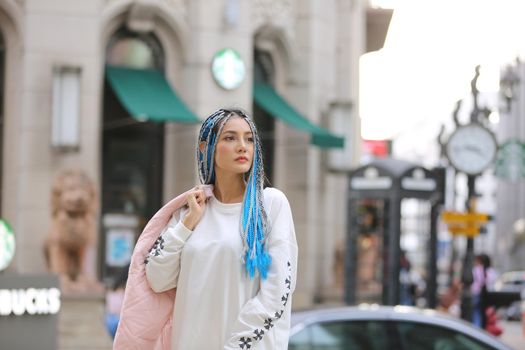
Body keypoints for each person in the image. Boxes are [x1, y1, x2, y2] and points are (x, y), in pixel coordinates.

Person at [120, 108, 298, 350]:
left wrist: (235, 346)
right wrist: (187, 224)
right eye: (230, 138)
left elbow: (277, 294)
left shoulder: (270, 205)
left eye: (248, 139)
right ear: (206, 148)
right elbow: (157, 279)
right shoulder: (189, 210)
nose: (242, 146)